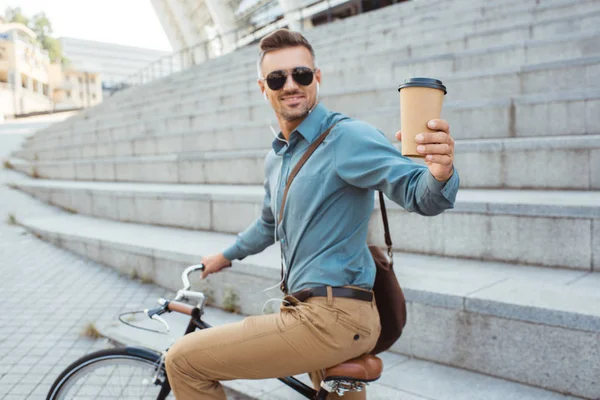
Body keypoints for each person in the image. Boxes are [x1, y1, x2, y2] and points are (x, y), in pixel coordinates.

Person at [165, 28, 459, 399]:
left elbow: (423, 196)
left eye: (301, 74)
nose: (290, 84)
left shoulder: (347, 138)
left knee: (183, 361)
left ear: (316, 78)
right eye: (277, 78)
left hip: (332, 318)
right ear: (263, 88)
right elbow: (268, 224)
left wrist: (441, 171)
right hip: (310, 312)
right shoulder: (277, 158)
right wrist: (224, 257)